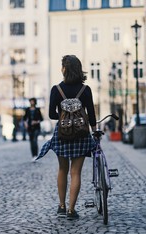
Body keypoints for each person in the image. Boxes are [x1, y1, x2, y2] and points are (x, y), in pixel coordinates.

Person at [35, 55, 97, 220]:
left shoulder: (56, 89)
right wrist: (94, 130)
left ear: (64, 69)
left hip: (62, 135)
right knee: (76, 172)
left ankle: (61, 207)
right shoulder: (86, 90)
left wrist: (65, 115)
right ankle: (71, 210)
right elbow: (91, 114)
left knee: (63, 169)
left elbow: (51, 114)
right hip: (81, 134)